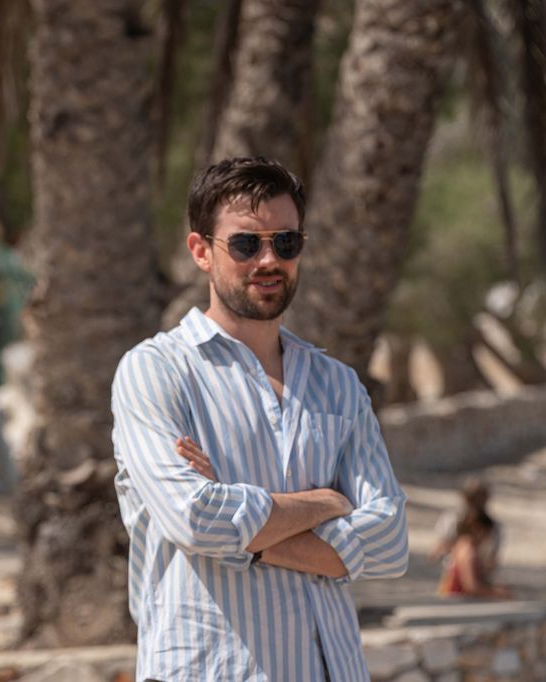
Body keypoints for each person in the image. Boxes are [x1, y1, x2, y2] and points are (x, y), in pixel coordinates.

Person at [111, 157, 409, 681]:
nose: (269, 260)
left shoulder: (338, 385)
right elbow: (193, 517)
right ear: (201, 250)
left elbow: (388, 542)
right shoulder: (155, 372)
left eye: (286, 243)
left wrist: (244, 535)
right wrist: (326, 503)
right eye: (247, 244)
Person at [428, 476, 501, 580]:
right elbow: (437, 551)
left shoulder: (491, 526)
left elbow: (492, 561)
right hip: (454, 570)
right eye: (473, 498)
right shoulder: (452, 519)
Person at [437, 509, 511, 598]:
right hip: (457, 600)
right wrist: (498, 593)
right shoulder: (467, 551)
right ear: (478, 530)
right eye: (487, 534)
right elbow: (471, 587)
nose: (487, 539)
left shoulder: (463, 545)